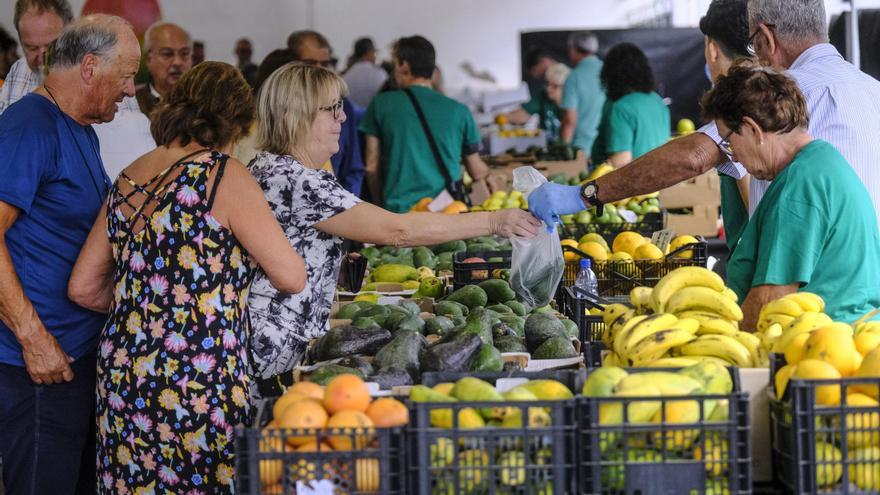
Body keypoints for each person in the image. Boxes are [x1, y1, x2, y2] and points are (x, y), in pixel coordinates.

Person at [68, 62, 307, 492]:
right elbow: (290, 276)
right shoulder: (221, 174)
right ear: (238, 120)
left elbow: (83, 287)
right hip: (199, 370)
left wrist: (149, 312)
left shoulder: (128, 178)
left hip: (125, 370)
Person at [247, 62, 541, 395]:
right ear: (294, 117)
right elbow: (397, 231)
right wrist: (494, 221)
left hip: (274, 341)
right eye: (332, 109)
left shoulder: (275, 170)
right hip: (278, 349)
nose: (342, 118)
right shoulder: (296, 180)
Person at [529, 0, 880, 243]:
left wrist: (584, 194)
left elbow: (693, 156)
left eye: (755, 46)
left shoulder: (784, 92)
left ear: (767, 38)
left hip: (810, 293)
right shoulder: (873, 90)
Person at [0, 14, 140, 493]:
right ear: (88, 68)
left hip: (75, 353)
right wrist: (33, 337)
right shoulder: (29, 127)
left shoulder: (78, 125)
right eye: (125, 75)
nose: (130, 90)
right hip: (36, 364)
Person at [701, 62, 880, 329]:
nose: (732, 154)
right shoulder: (820, 161)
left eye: (729, 140)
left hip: (822, 345)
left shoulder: (800, 185)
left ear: (752, 129)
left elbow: (771, 300)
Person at [360, 35, 497, 213]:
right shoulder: (459, 110)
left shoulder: (381, 104)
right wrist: (489, 176)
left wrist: (380, 204)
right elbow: (476, 170)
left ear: (404, 65)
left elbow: (371, 166)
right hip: (449, 210)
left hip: (400, 214)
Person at [289, 30, 365, 195]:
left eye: (324, 64)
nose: (319, 70)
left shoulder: (346, 109)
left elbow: (353, 170)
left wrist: (346, 209)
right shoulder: (283, 110)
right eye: (309, 63)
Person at [590, 42, 670, 167]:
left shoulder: (622, 108)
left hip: (633, 182)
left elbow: (620, 161)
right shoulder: (657, 101)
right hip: (661, 179)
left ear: (611, 74)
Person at [0, 0, 73, 114]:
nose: (42, 58)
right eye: (32, 48)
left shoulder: (94, 73)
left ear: (71, 32)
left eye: (51, 46)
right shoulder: (19, 70)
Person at [559, 31, 606, 156]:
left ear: (574, 49)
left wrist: (563, 152)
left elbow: (570, 120)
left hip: (582, 150)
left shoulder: (574, 77)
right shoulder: (607, 70)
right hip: (607, 146)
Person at [136, 21, 193, 118]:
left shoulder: (202, 102)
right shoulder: (132, 102)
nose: (177, 62)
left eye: (184, 54)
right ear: (148, 59)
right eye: (167, 54)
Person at [506, 62, 569, 141]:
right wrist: (500, 118)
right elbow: (522, 115)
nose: (548, 89)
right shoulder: (543, 96)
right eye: (547, 84)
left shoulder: (574, 104)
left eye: (555, 86)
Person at [342, 37, 388, 108]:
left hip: (351, 117)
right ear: (369, 53)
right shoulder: (380, 74)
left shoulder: (346, 76)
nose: (375, 57)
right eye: (374, 53)